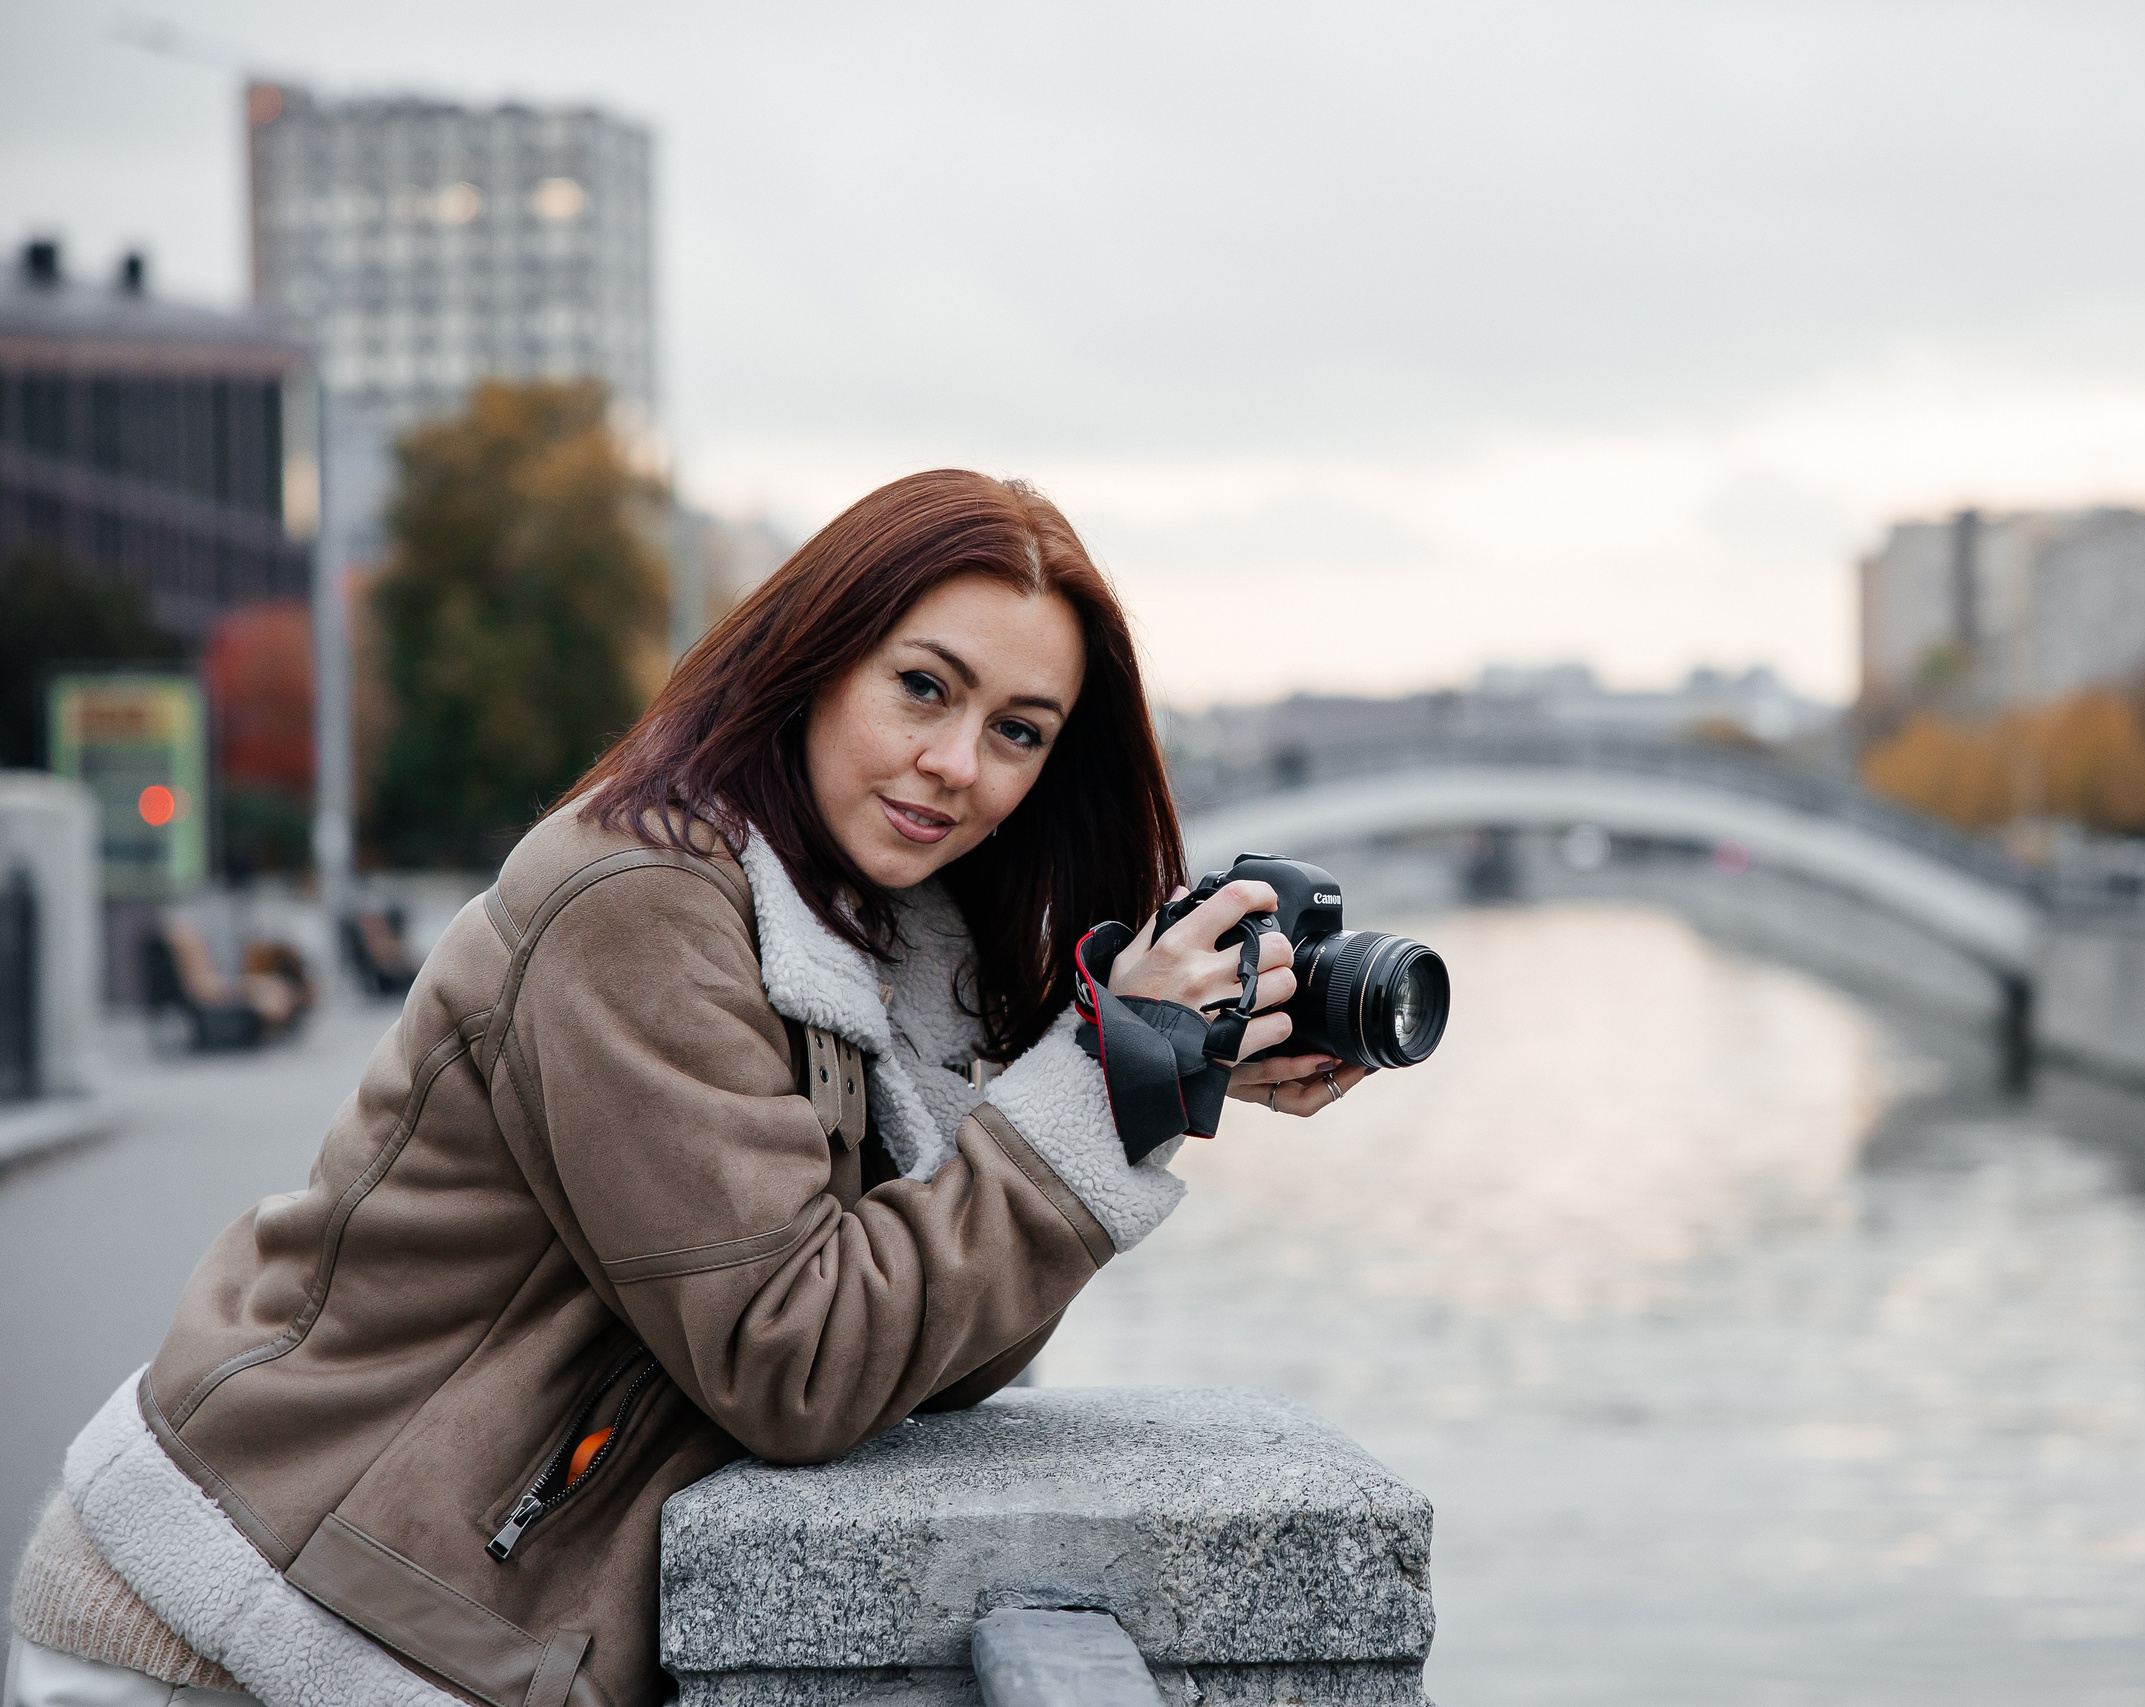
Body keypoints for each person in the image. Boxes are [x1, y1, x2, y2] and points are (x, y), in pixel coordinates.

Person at [4, 472, 1366, 1707]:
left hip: (410, 1625)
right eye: (924, 689)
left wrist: (1144, 1091)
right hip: (232, 1628)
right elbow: (803, 1361)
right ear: (818, 663)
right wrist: (1098, 1093)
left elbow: (929, 1363)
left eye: (1018, 731)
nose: (959, 765)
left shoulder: (886, 955)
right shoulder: (641, 901)